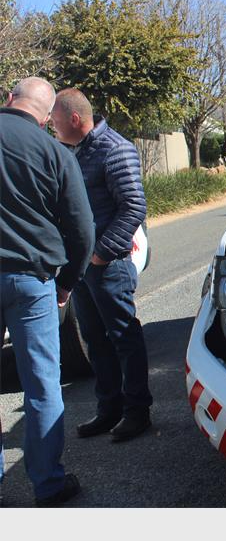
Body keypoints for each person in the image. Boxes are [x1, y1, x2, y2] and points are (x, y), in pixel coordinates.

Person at [0, 77, 94, 506]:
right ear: (45, 116)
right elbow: (81, 227)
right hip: (32, 279)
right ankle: (49, 485)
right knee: (42, 386)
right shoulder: (54, 152)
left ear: (9, 99)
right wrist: (67, 282)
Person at [50, 88, 152, 443]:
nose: (52, 128)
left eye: (55, 121)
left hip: (108, 265)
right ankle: (109, 408)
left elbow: (133, 206)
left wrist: (101, 253)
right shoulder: (71, 151)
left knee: (123, 338)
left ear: (75, 119)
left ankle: (137, 412)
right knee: (95, 340)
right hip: (80, 266)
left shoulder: (115, 149)